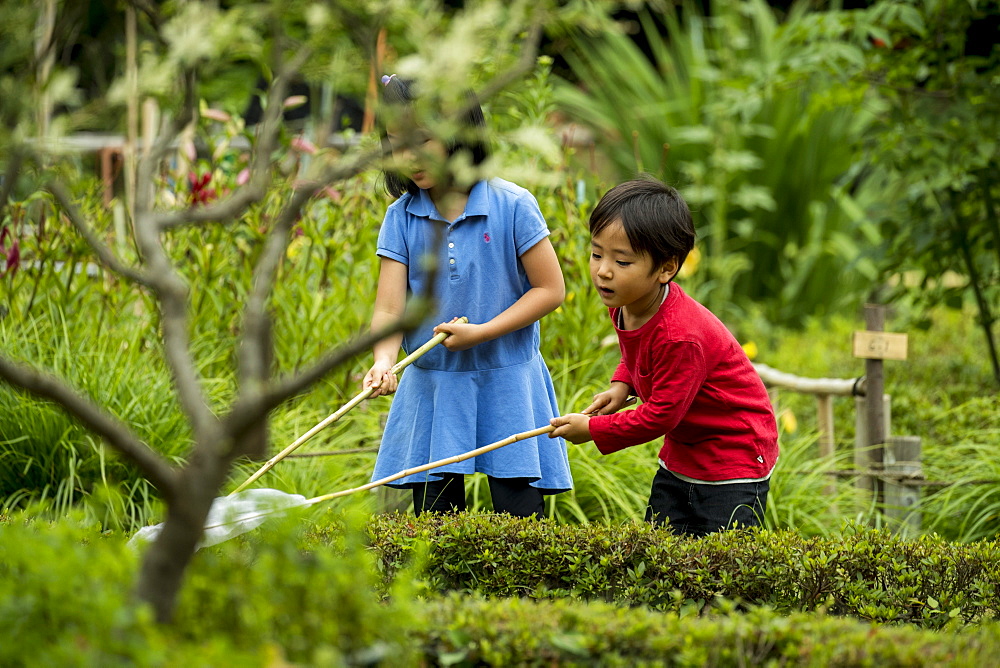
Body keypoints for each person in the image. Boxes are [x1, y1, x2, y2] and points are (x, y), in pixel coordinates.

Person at [362, 74, 572, 519]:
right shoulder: (400, 218)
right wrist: (383, 360)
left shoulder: (513, 204)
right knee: (435, 524)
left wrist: (483, 333)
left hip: (508, 380)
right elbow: (388, 307)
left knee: (519, 522)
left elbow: (551, 290)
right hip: (433, 384)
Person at [548, 177, 778, 536]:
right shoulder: (627, 304)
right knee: (660, 551)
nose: (603, 271)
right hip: (684, 453)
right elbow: (636, 351)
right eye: (596, 254)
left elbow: (660, 417)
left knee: (723, 570)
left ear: (666, 269)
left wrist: (593, 429)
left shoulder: (680, 336)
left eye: (622, 261)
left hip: (733, 458)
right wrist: (622, 385)